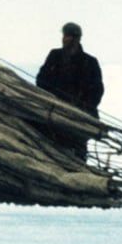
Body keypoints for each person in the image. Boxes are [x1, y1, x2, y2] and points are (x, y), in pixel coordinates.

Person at [36, 22, 104, 159]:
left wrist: (83, 107)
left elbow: (97, 90)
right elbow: (41, 80)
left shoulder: (89, 62)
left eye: (68, 36)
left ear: (77, 38)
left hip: (78, 116)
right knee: (48, 150)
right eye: (64, 35)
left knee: (77, 154)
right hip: (53, 113)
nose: (65, 39)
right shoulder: (55, 55)